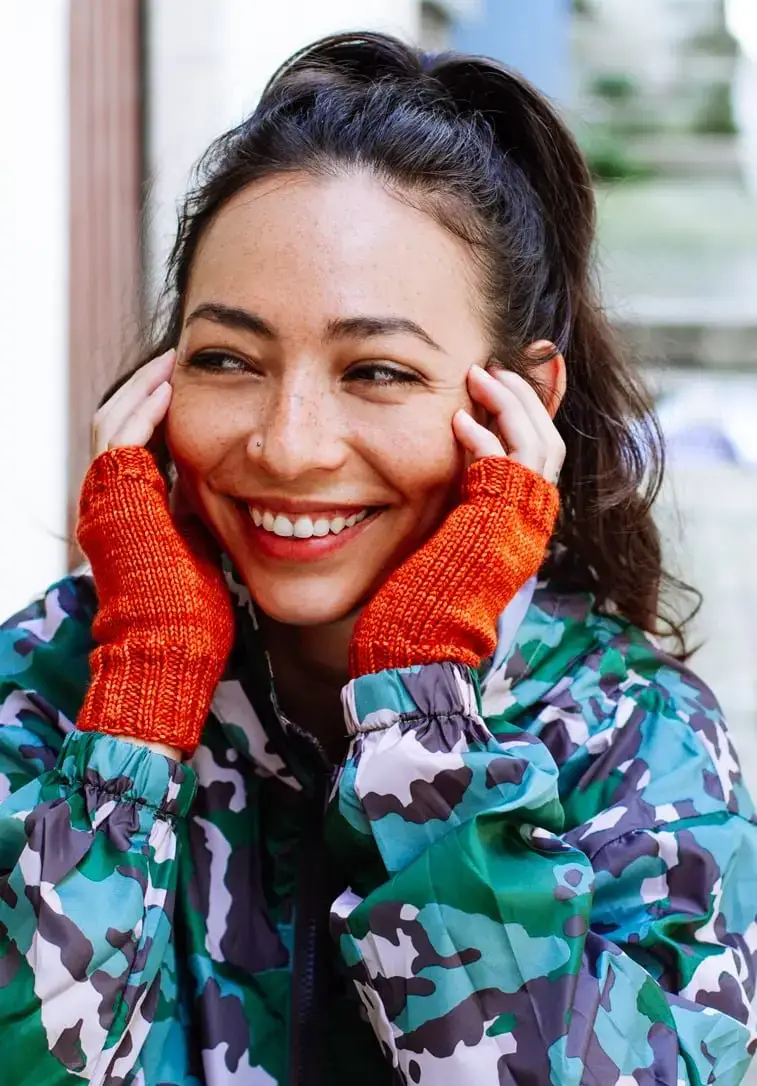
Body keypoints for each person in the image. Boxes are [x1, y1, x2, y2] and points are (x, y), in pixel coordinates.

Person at [0, 31, 755, 1086]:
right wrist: (140, 704)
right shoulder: (46, 682)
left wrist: (424, 731)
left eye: (379, 371)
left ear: (516, 402)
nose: (289, 443)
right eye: (228, 358)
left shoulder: (634, 739)